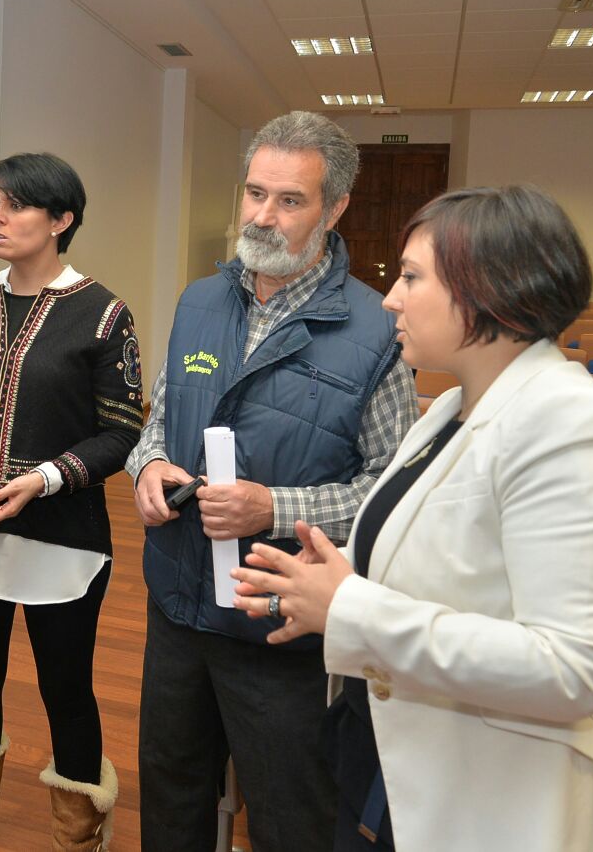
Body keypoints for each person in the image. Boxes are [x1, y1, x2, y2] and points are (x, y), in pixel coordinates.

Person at [232, 186, 593, 852]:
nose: (390, 299)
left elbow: (572, 670)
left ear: (487, 290)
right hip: (392, 759)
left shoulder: (577, 429)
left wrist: (352, 607)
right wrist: (337, 583)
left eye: (411, 277)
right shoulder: (448, 410)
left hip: (494, 799)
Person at [127, 110, 417, 851]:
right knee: (170, 799)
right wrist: (149, 466)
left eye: (290, 201)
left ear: (336, 209)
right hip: (179, 607)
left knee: (290, 820)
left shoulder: (376, 329)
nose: (263, 215)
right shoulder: (199, 302)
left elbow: (391, 492)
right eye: (255, 193)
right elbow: (158, 421)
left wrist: (273, 508)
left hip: (280, 627)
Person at [0, 153, 142, 851]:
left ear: (61, 220)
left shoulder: (103, 314)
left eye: (16, 206)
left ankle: (78, 835)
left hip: (61, 537)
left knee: (64, 686)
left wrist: (44, 478)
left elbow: (121, 433)